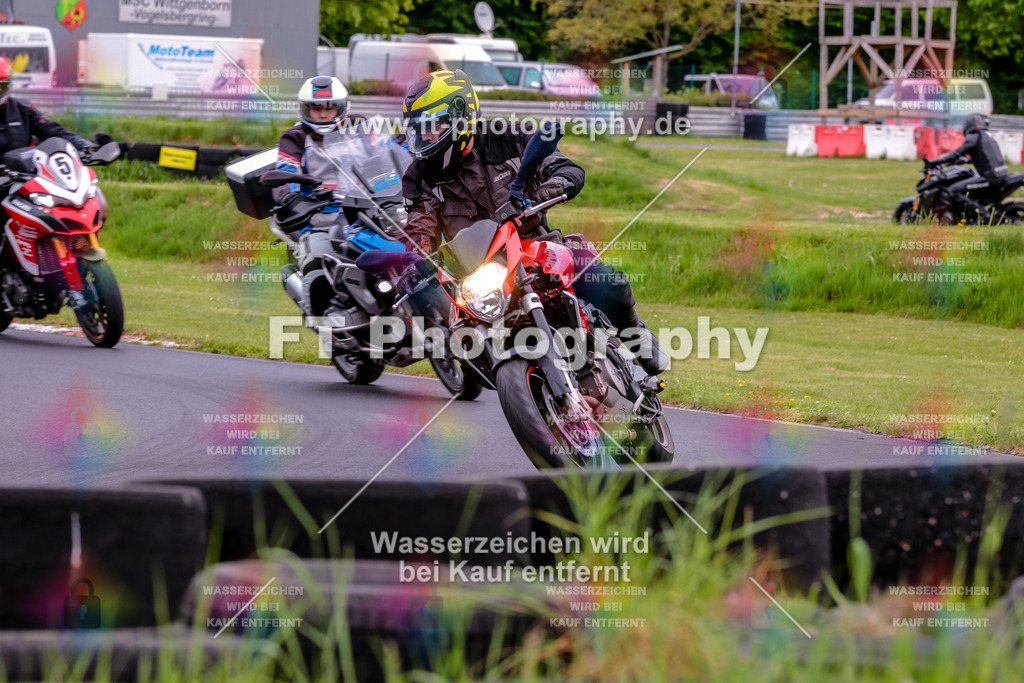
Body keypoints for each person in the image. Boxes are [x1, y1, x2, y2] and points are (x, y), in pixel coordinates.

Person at [399, 69, 668, 376]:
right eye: (419, 128)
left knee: (607, 283)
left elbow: (565, 168)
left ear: (461, 115)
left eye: (433, 126)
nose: (426, 136)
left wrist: (549, 189)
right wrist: (413, 262)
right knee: (462, 340)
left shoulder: (510, 137)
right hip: (477, 272)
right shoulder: (419, 176)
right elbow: (420, 226)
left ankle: (636, 334)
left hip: (534, 249)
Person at [272, 75, 366, 317]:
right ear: (307, 109)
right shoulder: (294, 137)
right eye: (316, 108)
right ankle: (325, 320)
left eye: (329, 107)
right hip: (319, 221)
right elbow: (286, 173)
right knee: (318, 266)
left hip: (365, 215)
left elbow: (384, 154)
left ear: (341, 106)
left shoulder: (358, 126)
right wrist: (290, 198)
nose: (323, 114)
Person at [0, 57, 99, 156]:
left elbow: (52, 130)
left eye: (0, 87)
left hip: (22, 170)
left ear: (8, 85)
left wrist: (84, 145)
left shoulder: (22, 109)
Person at [928, 114, 1007, 204]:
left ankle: (981, 213)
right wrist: (965, 160)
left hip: (991, 178)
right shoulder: (986, 135)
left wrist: (937, 161)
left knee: (953, 190)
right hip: (1000, 175)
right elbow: (983, 156)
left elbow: (956, 154)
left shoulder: (974, 136)